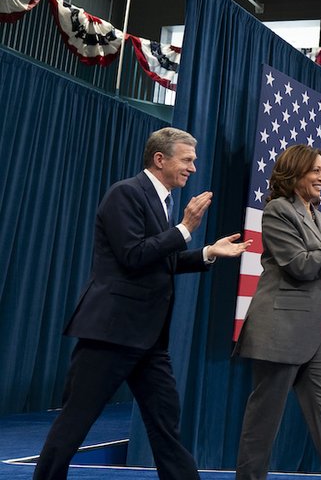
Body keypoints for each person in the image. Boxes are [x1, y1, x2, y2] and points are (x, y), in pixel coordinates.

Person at [34, 127, 252, 480]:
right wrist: (184, 229)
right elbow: (133, 256)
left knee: (166, 424)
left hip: (149, 340)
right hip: (112, 333)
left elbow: (160, 260)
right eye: (187, 160)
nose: (193, 168)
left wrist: (207, 253)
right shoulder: (126, 194)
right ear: (160, 159)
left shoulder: (161, 201)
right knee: (76, 420)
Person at [234, 144, 321, 480]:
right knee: (263, 422)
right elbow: (301, 265)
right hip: (279, 330)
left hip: (318, 332)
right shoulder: (278, 211)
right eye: (315, 170)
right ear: (294, 172)